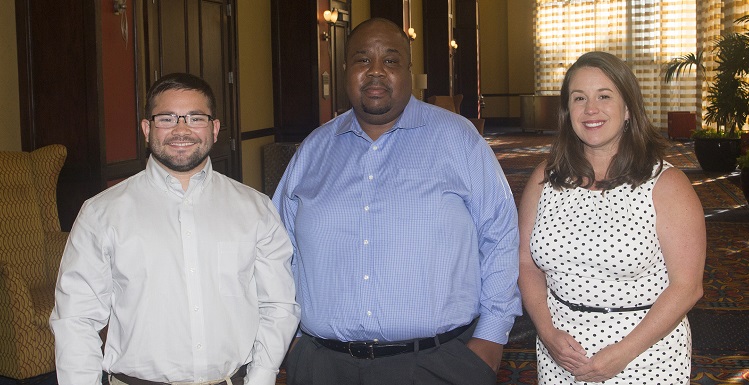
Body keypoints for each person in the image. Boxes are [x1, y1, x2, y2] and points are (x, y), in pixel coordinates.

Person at [272, 18, 521, 385]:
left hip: (436, 364)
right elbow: (275, 248)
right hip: (322, 366)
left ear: (409, 70)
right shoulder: (313, 150)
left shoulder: (457, 140)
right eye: (362, 60)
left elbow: (500, 236)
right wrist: (291, 342)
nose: (376, 72)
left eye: (390, 61)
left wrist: (491, 338)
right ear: (345, 71)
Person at [50, 73, 300, 385]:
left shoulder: (256, 209)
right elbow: (76, 319)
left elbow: (278, 305)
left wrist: (261, 377)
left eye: (196, 118)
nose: (181, 129)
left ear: (215, 128)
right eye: (166, 118)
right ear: (146, 129)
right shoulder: (102, 213)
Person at [518, 51, 706, 384]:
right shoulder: (544, 178)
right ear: (567, 111)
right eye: (579, 98)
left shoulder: (666, 184)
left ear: (629, 109)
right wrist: (547, 333)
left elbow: (686, 287)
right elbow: (526, 263)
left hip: (645, 356)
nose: (591, 109)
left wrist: (622, 353)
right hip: (561, 355)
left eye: (604, 96)